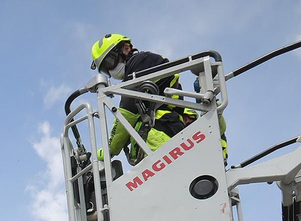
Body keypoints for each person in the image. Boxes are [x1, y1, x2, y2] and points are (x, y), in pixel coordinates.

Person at [90, 34, 225, 165]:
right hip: (162, 134)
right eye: (105, 70)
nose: (110, 71)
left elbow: (127, 111)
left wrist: (109, 149)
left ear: (126, 48)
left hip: (159, 134)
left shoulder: (141, 61)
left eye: (109, 62)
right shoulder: (139, 67)